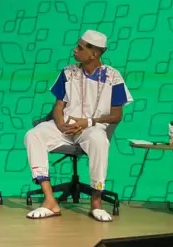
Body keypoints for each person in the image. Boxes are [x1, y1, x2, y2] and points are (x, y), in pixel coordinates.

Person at [24, 30, 133, 222]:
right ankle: (50, 200)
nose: (75, 50)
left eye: (80, 48)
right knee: (33, 135)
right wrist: (61, 125)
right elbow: (58, 106)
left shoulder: (113, 77)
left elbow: (117, 115)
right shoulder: (68, 72)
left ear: (94, 54)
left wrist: (87, 122)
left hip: (92, 127)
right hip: (66, 125)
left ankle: (96, 201)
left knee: (99, 140)